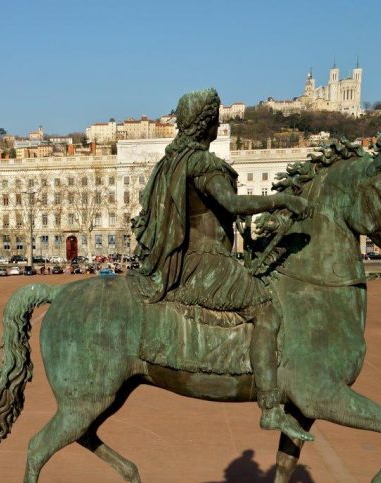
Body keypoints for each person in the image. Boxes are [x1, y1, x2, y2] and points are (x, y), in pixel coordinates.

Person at [130, 88, 313, 442]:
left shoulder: (172, 162)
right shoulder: (200, 162)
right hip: (205, 260)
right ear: (204, 124)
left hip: (185, 257)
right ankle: (272, 407)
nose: (218, 122)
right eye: (214, 117)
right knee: (266, 310)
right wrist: (282, 200)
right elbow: (229, 203)